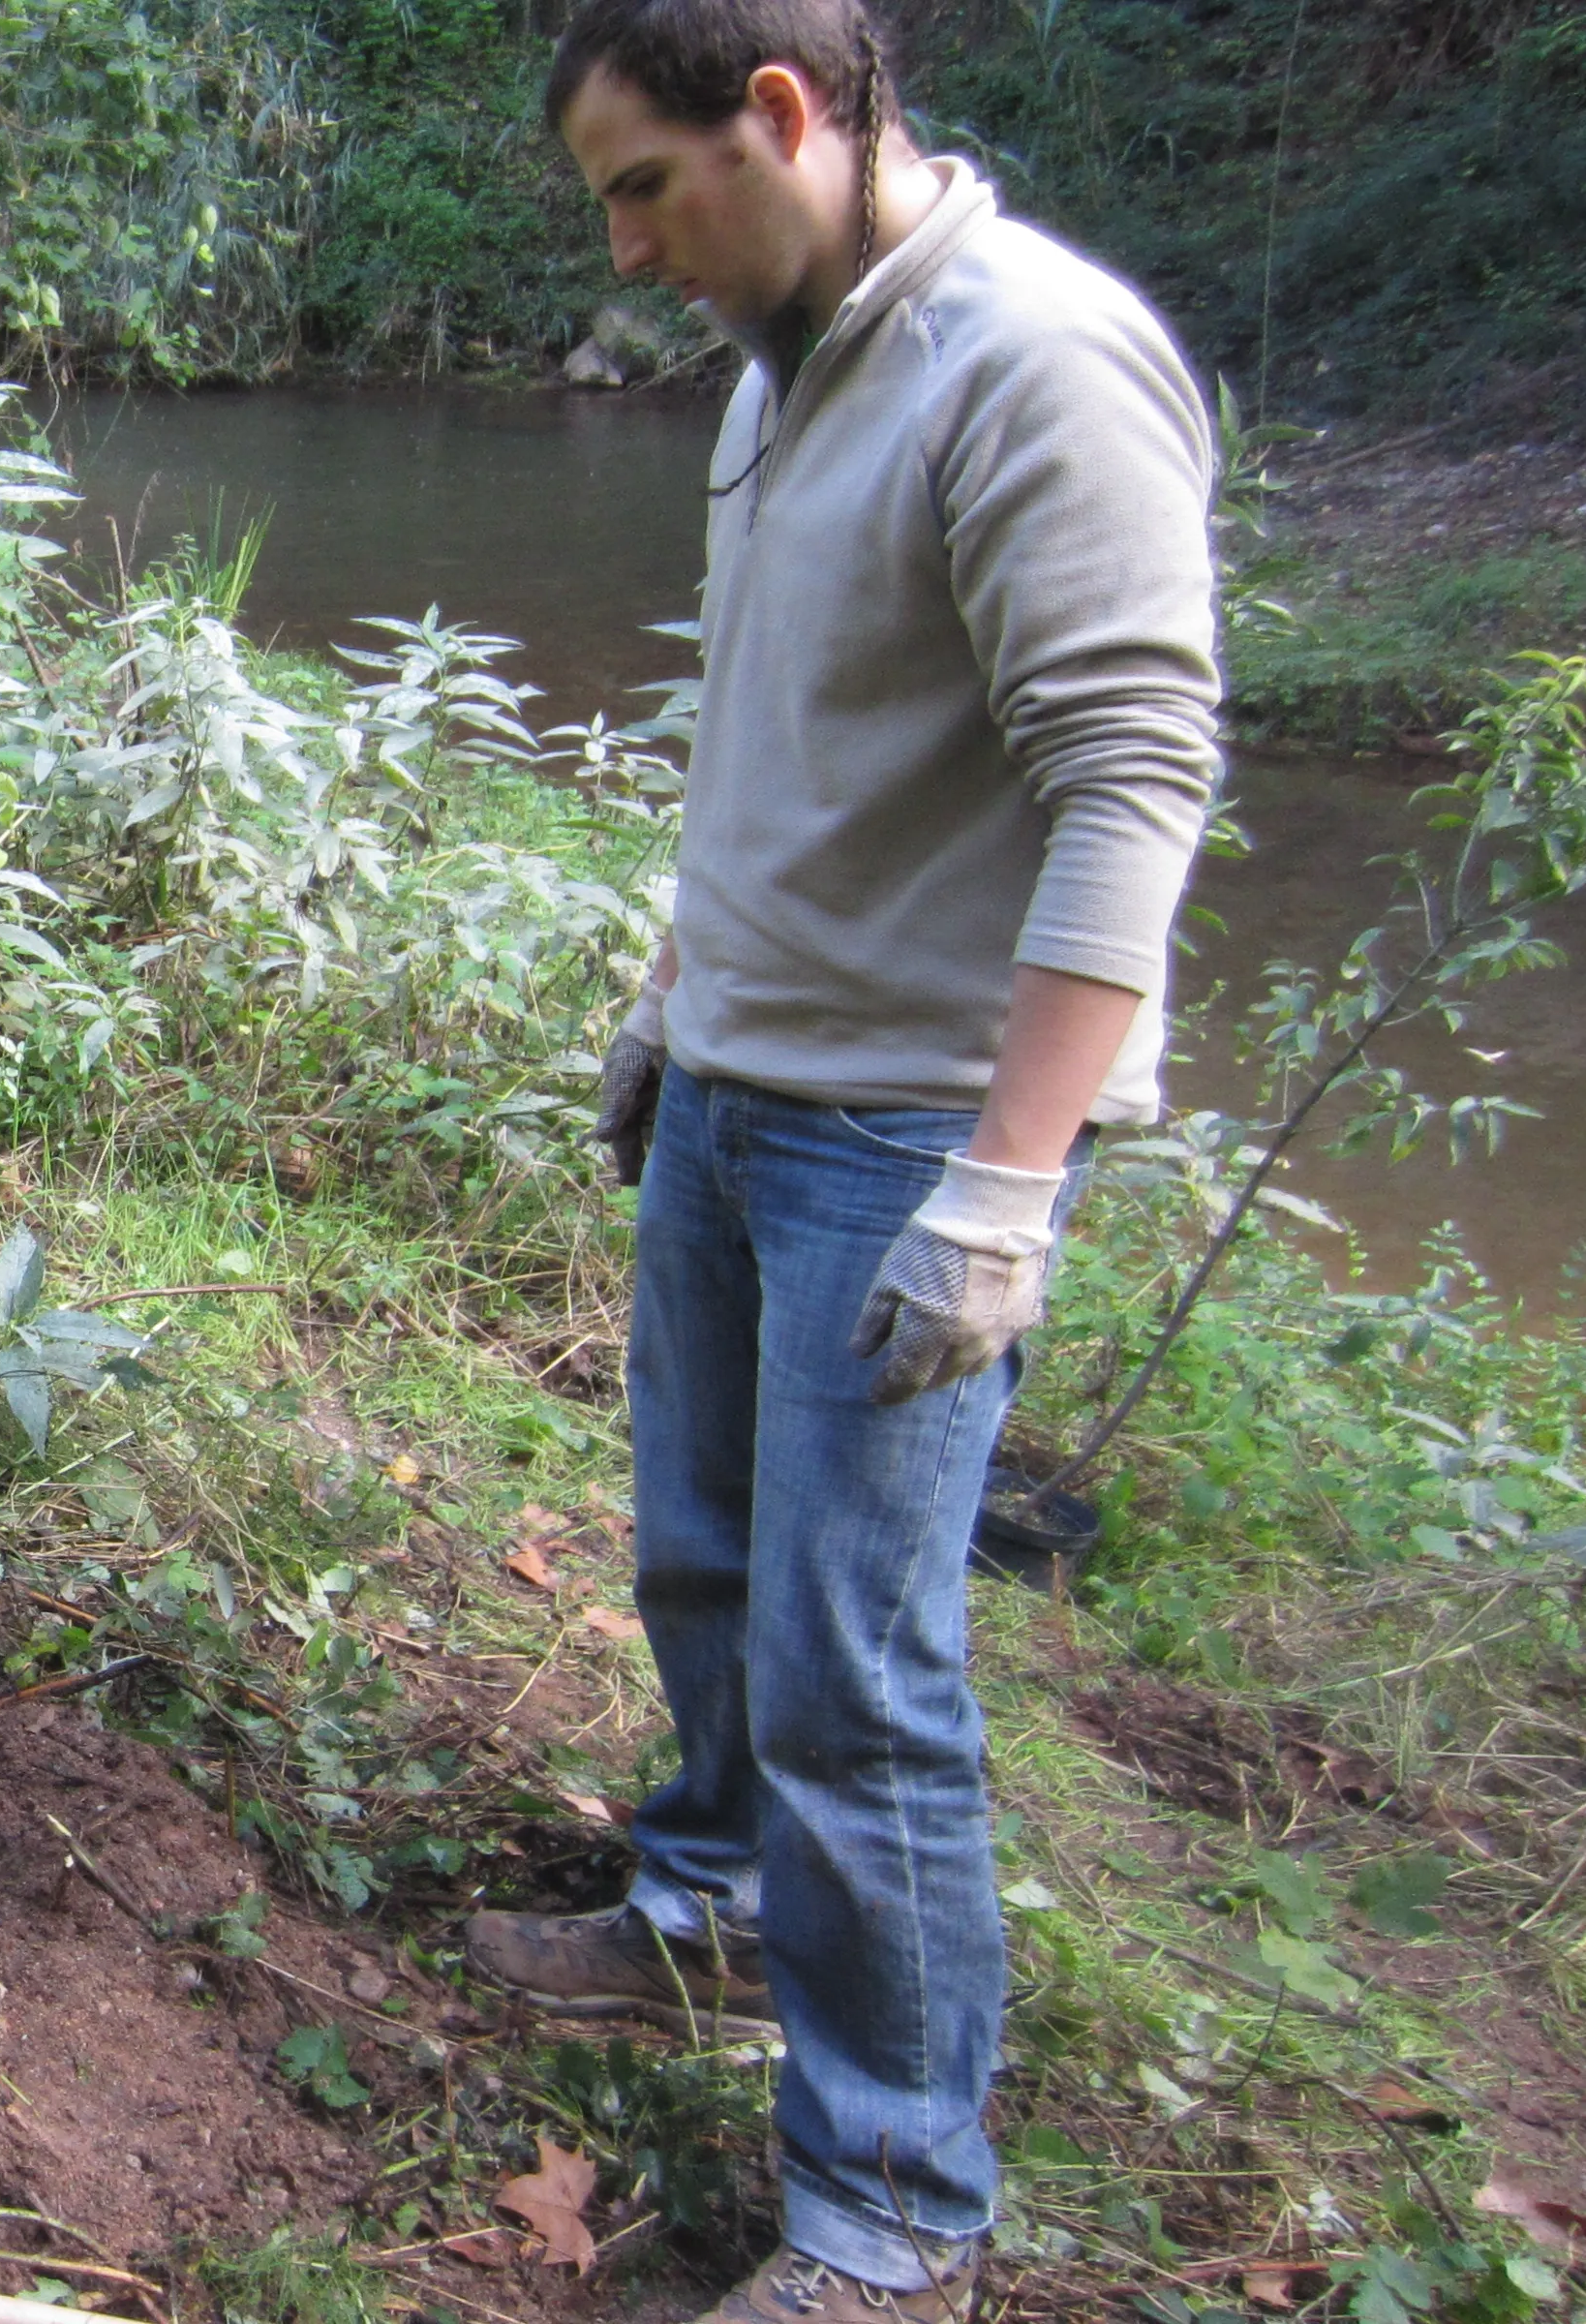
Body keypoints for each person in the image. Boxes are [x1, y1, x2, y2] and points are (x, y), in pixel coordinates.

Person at [465, 2, 1222, 2316]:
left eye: (641, 188)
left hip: (905, 1125)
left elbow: (1130, 775)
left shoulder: (1033, 363)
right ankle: (697, 1902)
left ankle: (892, 2214)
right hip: (738, 1082)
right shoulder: (777, 360)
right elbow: (780, 733)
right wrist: (671, 1002)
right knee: (696, 1557)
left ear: (779, 118)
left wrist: (1003, 1184)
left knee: (852, 1668)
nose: (623, 249)